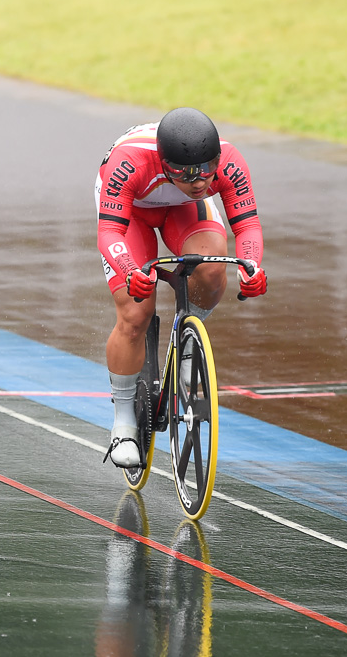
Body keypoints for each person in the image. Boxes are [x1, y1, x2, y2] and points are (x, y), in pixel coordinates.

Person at [96, 107, 267, 468]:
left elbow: (247, 225)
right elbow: (110, 232)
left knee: (211, 269)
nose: (201, 181)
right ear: (164, 163)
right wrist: (130, 270)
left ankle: (188, 344)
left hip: (183, 210)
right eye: (188, 173)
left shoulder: (226, 163)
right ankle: (124, 422)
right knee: (135, 311)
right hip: (132, 214)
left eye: (208, 170)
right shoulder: (130, 162)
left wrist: (251, 267)